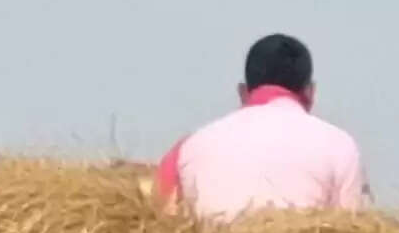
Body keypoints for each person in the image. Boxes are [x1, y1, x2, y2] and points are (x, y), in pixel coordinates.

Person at [153, 35, 369, 219]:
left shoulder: (189, 147)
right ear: (310, 92)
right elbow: (352, 227)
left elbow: (163, 217)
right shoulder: (340, 145)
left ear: (242, 92)